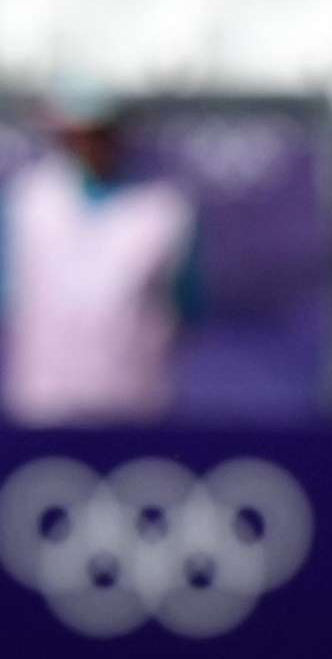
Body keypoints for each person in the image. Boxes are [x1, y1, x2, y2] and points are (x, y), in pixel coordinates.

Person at [5, 86, 202, 427]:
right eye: (76, 135)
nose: (87, 146)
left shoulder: (164, 210)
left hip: (131, 403)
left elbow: (187, 306)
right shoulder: (27, 201)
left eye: (99, 134)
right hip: (42, 405)